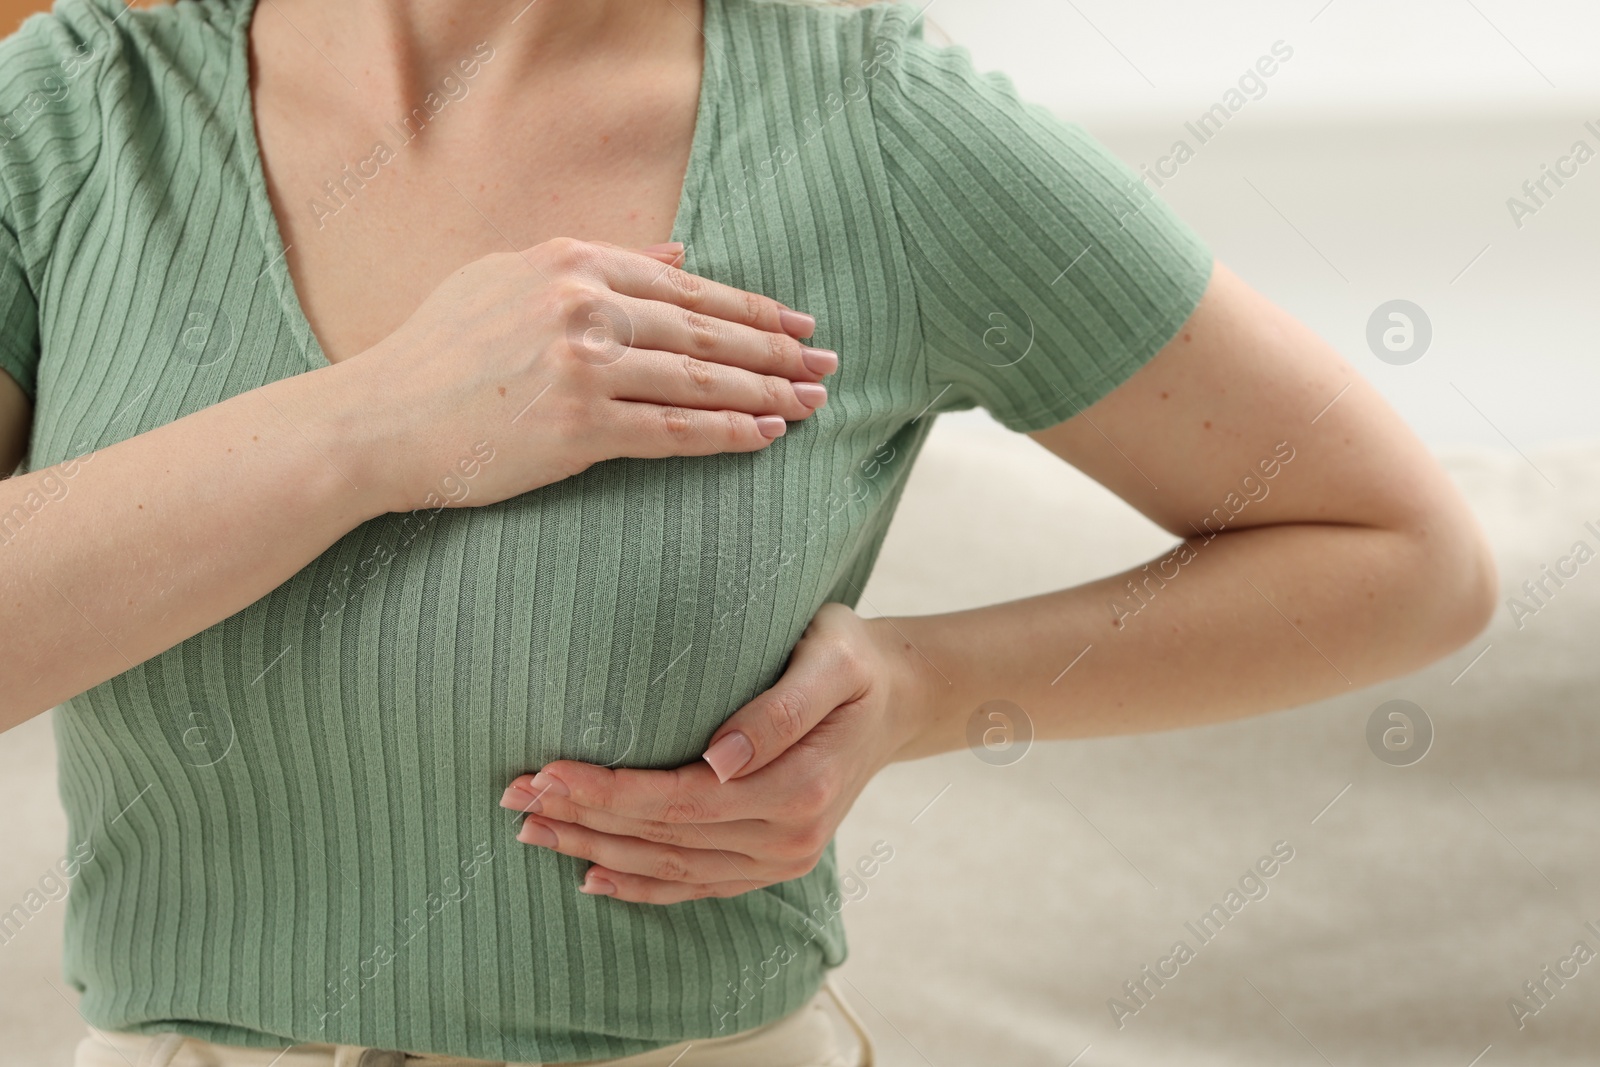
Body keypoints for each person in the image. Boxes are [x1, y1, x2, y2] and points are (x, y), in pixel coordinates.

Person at [0, 0, 1497, 1063]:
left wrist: (920, 689)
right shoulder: (70, 113)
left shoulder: (881, 126)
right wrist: (378, 425)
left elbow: (1403, 555)